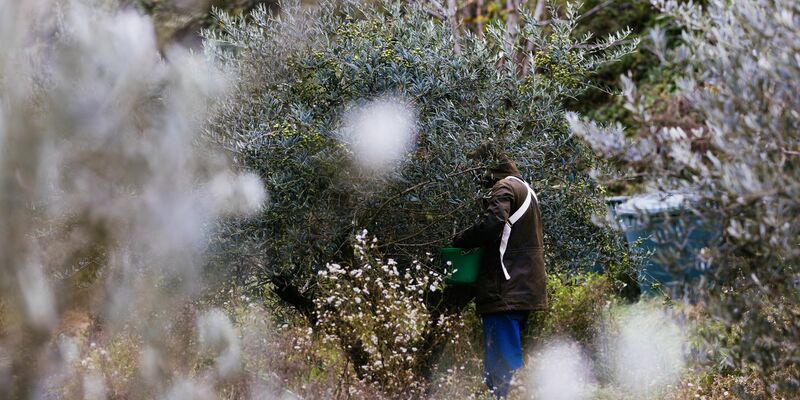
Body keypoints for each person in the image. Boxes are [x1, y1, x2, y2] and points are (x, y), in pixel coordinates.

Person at [452, 145, 547, 398]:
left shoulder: (505, 186)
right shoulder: (527, 190)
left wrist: (461, 239)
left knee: (503, 365)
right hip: (524, 287)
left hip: (505, 288)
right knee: (506, 359)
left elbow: (493, 225)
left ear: (489, 168)